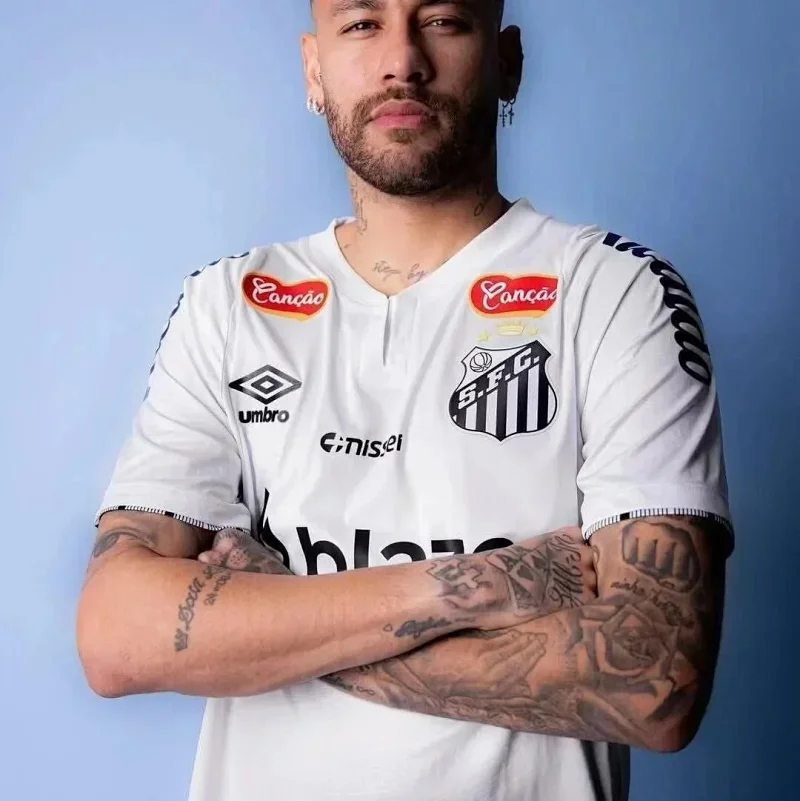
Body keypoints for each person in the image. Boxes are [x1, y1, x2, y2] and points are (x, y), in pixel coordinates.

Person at [76, 1, 733, 800]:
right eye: (362, 24)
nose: (402, 61)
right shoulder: (229, 304)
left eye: (443, 20)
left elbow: (655, 680)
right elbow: (114, 635)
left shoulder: (617, 293)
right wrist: (480, 584)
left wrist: (269, 620)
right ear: (313, 68)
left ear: (508, 61)